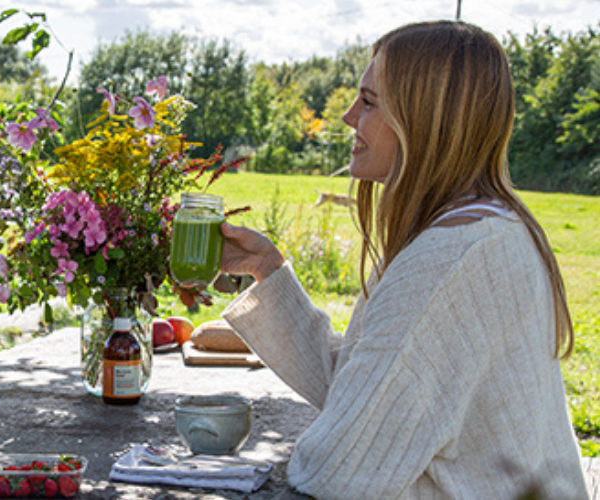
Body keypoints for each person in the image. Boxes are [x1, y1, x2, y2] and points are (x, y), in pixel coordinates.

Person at [218, 21, 588, 500]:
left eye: (369, 102)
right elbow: (367, 396)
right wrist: (266, 268)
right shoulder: (480, 230)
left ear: (426, 119)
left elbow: (337, 470)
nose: (350, 116)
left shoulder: (449, 263)